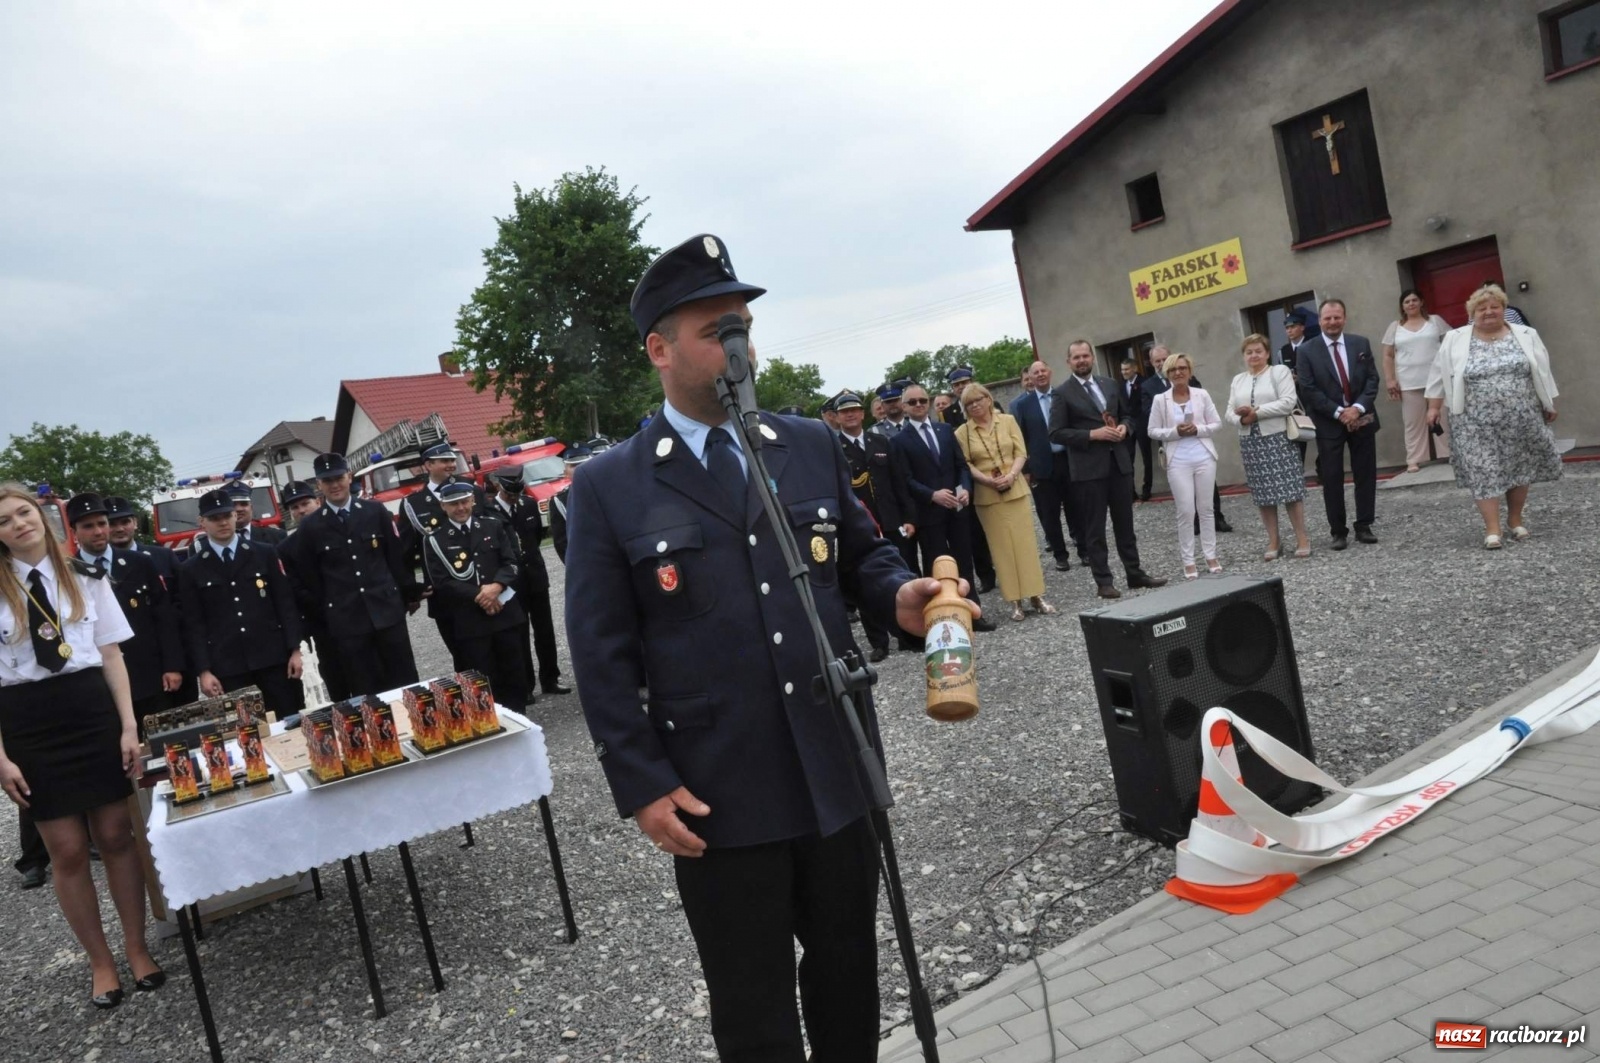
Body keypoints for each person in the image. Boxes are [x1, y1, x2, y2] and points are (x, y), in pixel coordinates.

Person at [565, 233, 954, 1062]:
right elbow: (600, 653)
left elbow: (862, 557)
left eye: (742, 327)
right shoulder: (610, 485)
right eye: (717, 331)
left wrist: (900, 593)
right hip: (719, 787)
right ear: (659, 349)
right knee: (753, 1002)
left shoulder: (805, 443)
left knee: (849, 972)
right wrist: (641, 781)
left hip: (834, 762)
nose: (737, 348)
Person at [0, 483, 165, 1008]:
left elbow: (112, 655)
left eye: (23, 512)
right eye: (3, 520)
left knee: (116, 835)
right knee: (67, 850)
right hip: (29, 723)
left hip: (91, 711)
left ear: (43, 515)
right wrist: (0, 759)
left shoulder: (86, 576)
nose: (18, 524)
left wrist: (128, 727)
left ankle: (137, 949)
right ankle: (100, 963)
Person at [1425, 284, 1562, 549]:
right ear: (1471, 312)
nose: (1488, 312)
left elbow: (1543, 369)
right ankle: (1492, 529)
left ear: (1504, 309)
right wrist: (1433, 407)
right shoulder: (1456, 338)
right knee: (1483, 470)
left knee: (1519, 467)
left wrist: (1549, 402)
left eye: (1494, 306)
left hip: (1522, 417)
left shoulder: (1525, 334)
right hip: (1473, 421)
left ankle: (1515, 520)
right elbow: (1437, 374)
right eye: (1481, 308)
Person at [292, 453, 420, 696]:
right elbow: (311, 577)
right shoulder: (311, 527)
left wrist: (405, 596)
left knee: (405, 683)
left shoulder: (375, 512)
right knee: (365, 690)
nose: (335, 485)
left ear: (349, 477)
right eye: (327, 480)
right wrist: (332, 609)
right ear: (318, 485)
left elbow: (395, 559)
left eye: (339, 477)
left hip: (387, 612)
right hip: (347, 621)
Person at [1048, 340, 1168, 598]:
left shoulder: (1110, 384)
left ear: (1092, 357)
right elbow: (1056, 433)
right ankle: (1104, 581)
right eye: (1076, 357)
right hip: (1089, 470)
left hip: (1119, 464)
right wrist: (1092, 434)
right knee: (1095, 529)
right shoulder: (1062, 393)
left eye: (1085, 355)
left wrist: (1125, 427)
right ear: (1069, 362)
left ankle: (1135, 574)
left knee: (1125, 524)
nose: (1082, 360)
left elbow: (1128, 415)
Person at [177, 490, 304, 718]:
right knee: (246, 735)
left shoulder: (264, 553)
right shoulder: (191, 569)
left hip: (274, 660)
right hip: (228, 666)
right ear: (202, 523)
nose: (223, 522)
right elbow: (193, 624)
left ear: (235, 516)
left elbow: (285, 604)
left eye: (227, 515)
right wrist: (204, 671)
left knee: (290, 722)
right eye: (214, 518)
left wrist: (295, 649)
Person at [66, 494, 184, 728]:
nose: (98, 531)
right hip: (103, 683)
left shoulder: (140, 562)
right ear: (74, 532)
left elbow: (163, 619)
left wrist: (172, 666)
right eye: (88, 526)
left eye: (102, 523)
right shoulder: (69, 573)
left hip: (150, 675)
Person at [890, 383, 996, 632]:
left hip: (957, 510)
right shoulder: (899, 441)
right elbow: (904, 479)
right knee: (937, 565)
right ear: (904, 407)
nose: (919, 405)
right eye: (913, 402)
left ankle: (973, 612)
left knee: (964, 561)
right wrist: (932, 495)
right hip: (929, 513)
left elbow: (961, 465)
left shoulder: (946, 430)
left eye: (922, 400)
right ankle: (945, 616)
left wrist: (966, 488)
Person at [423, 481, 530, 711]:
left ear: (472, 500)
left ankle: (520, 718)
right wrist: (481, 595)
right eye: (453, 504)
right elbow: (441, 581)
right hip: (471, 618)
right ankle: (491, 723)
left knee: (514, 672)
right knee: (482, 678)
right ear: (443, 506)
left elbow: (511, 562)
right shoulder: (436, 540)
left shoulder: (493, 526)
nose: (460, 508)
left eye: (464, 502)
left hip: (504, 612)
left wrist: (496, 587)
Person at [954, 384, 1056, 621]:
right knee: (1002, 549)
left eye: (978, 400)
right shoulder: (962, 432)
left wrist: (1012, 475)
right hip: (987, 496)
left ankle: (1036, 595)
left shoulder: (1008, 421)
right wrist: (986, 481)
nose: (975, 406)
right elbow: (965, 464)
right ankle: (1015, 601)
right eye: (969, 404)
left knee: (1025, 545)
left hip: (1015, 488)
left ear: (988, 399)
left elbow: (1021, 452)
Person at [834, 390, 916, 660]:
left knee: (901, 573)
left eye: (855, 409)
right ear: (836, 417)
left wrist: (908, 517)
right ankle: (878, 641)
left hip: (891, 519)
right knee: (866, 578)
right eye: (845, 411)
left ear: (863, 413)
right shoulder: (833, 448)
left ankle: (905, 633)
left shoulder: (880, 441)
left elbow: (898, 483)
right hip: (859, 526)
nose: (850, 414)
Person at [1296, 298, 1381, 550]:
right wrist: (1338, 412)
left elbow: (1372, 381)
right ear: (1320, 320)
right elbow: (1308, 389)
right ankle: (1338, 531)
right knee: (1332, 478)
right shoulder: (1306, 351)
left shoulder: (1360, 343)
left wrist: (1357, 408)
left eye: (1337, 317)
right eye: (1327, 318)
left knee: (1365, 474)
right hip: (1328, 423)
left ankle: (1364, 525)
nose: (1332, 322)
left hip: (1362, 419)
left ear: (1344, 318)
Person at [399, 443, 490, 665]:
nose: (451, 465)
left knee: (493, 648)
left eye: (452, 460)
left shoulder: (471, 489)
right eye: (444, 460)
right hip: (445, 591)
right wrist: (411, 591)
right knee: (462, 655)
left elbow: (492, 531)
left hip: (482, 584)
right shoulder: (413, 503)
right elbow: (406, 550)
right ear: (428, 465)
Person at [1227, 335, 1312, 560]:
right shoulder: (1238, 380)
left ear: (1266, 353)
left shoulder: (1279, 372)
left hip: (1278, 438)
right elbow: (1228, 411)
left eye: (1258, 351)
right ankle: (1274, 539)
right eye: (1249, 352)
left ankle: (1302, 537)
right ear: (1244, 356)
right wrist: (1241, 419)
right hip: (1250, 441)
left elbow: (1288, 401)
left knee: (1290, 491)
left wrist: (1257, 412)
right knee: (1263, 495)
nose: (1254, 355)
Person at [488, 466, 569, 696]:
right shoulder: (490, 511)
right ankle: (525, 685)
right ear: (499, 487)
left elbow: (535, 537)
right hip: (511, 581)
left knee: (545, 629)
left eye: (516, 493)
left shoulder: (528, 504)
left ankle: (550, 679)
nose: (514, 498)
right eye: (509, 494)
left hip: (535, 575)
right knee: (519, 633)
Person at [1145, 354, 1223, 578]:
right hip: (1177, 458)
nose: (1178, 373)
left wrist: (1197, 429)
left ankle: (1211, 555)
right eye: (1172, 370)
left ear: (1189, 371)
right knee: (1186, 510)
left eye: (1182, 368)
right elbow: (1152, 431)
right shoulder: (1161, 399)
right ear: (1167, 374)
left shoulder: (1202, 395)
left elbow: (1216, 423)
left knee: (1206, 509)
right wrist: (1174, 432)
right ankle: (1188, 560)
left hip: (1203, 455)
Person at [276, 479, 350, 701]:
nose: (301, 511)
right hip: (321, 623)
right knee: (337, 682)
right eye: (294, 508)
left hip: (354, 615)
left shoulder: (340, 530)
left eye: (305, 503)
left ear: (318, 502)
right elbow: (294, 587)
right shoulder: (286, 548)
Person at [1142, 346, 1231, 530]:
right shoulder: (1148, 387)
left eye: (1164, 359)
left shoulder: (1193, 382)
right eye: (1157, 361)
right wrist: (1174, 429)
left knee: (1207, 489)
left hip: (1199, 444)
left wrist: (1196, 427)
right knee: (1185, 494)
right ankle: (1194, 523)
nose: (1162, 363)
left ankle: (1216, 518)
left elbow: (1204, 409)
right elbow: (1147, 416)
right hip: (1174, 447)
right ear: (1152, 363)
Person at [1010, 360, 1079, 571]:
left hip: (1068, 461)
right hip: (1041, 467)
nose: (1040, 375)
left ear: (1049, 372)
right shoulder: (1022, 405)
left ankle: (1085, 550)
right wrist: (1026, 470)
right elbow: (1020, 439)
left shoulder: (1063, 396)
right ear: (1029, 378)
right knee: (1049, 514)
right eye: (1035, 372)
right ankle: (1061, 556)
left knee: (1077, 509)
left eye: (1043, 370)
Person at [1382, 289, 1453, 473]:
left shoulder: (1435, 321)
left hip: (1437, 379)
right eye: (1407, 302)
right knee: (1413, 422)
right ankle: (1414, 459)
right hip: (1409, 381)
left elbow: (1450, 345)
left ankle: (1449, 452)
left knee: (1443, 417)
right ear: (1402, 307)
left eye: (1414, 300)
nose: (1411, 304)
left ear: (1421, 302)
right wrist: (1390, 380)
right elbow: (1388, 355)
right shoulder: (1395, 327)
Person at [942, 365, 996, 593]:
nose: (961, 387)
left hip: (992, 475)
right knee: (974, 531)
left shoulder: (989, 404)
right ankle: (986, 575)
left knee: (996, 527)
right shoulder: (948, 414)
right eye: (956, 385)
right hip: (967, 479)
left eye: (964, 382)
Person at [1276, 310, 1312, 468]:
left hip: (1312, 397)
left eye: (1293, 326)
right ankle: (1298, 470)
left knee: (1324, 436)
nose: (1289, 330)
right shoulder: (1282, 351)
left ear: (1302, 327)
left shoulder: (1312, 344)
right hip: (1295, 401)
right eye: (1287, 327)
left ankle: (1322, 470)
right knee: (1299, 436)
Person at [547, 446, 593, 565]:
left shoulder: (610, 490)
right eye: (573, 465)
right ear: (565, 473)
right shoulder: (560, 501)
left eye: (584, 463)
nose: (580, 468)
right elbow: (562, 543)